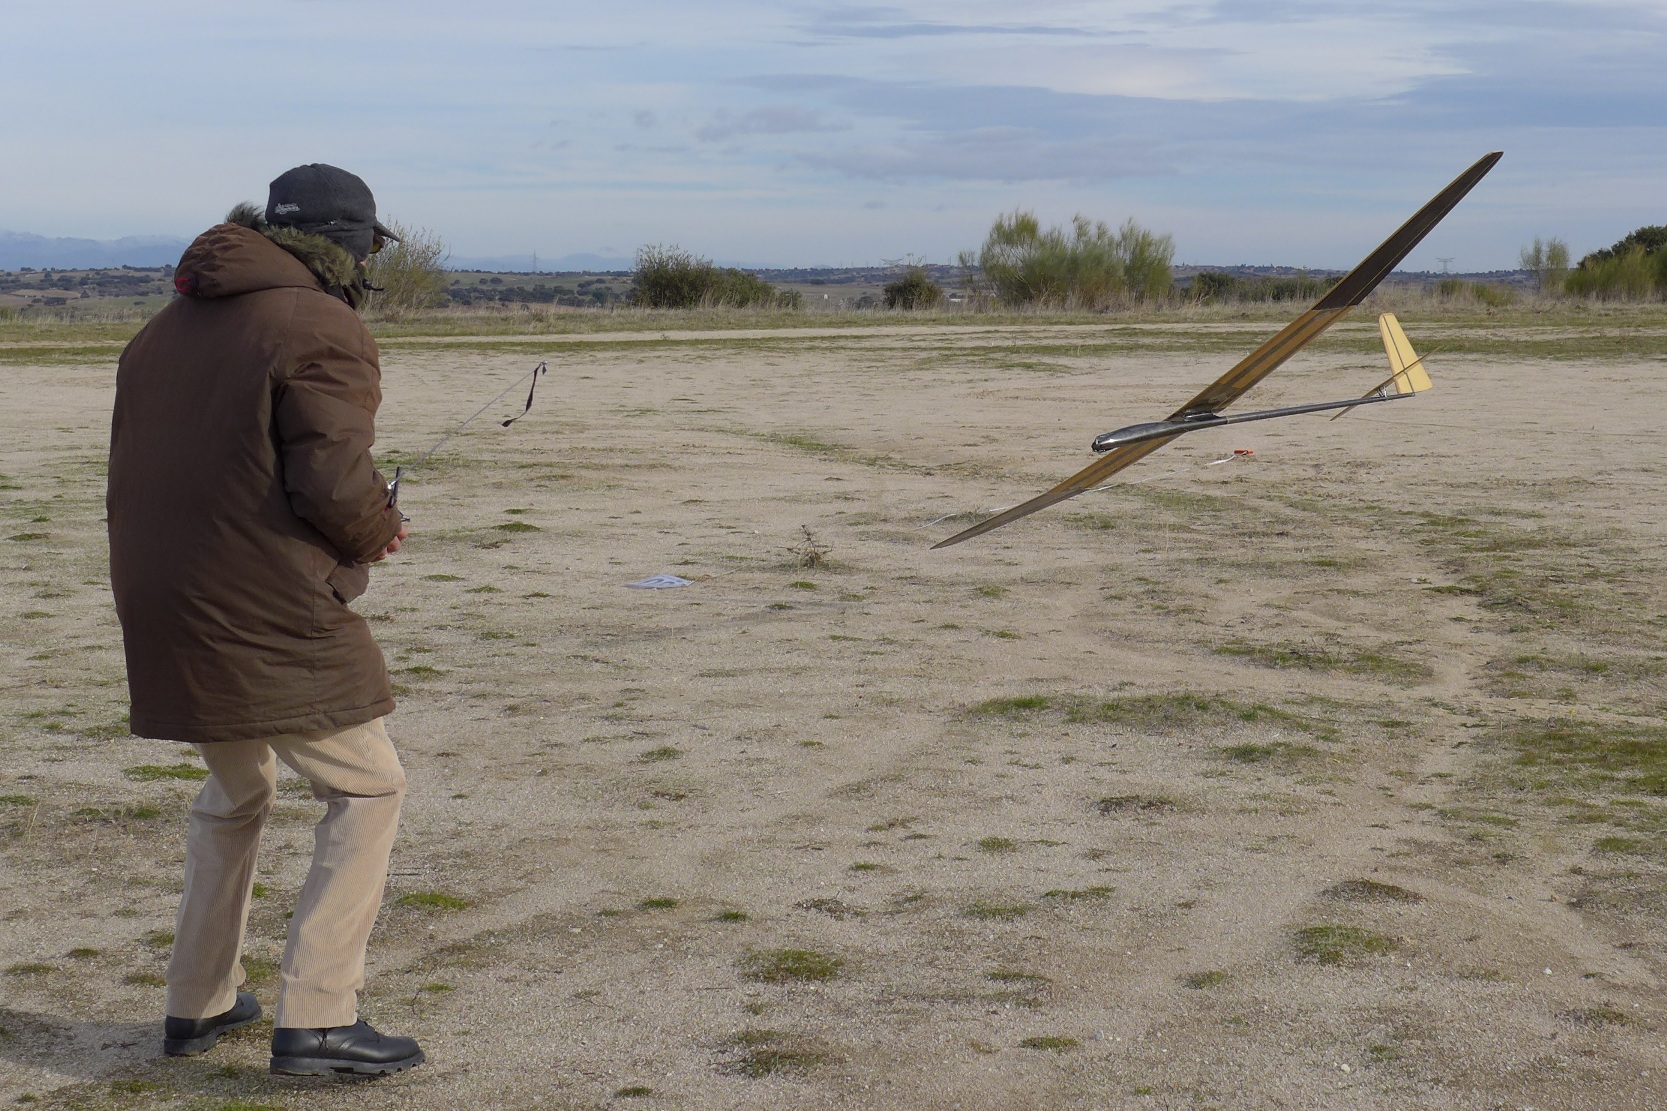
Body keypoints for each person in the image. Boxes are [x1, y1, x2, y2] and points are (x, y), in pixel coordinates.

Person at [107, 164, 424, 1076]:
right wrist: (379, 527)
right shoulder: (320, 323)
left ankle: (198, 999)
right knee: (369, 786)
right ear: (350, 246)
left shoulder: (161, 328)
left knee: (237, 788)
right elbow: (331, 481)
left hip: (165, 596)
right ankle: (319, 1017)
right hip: (262, 603)